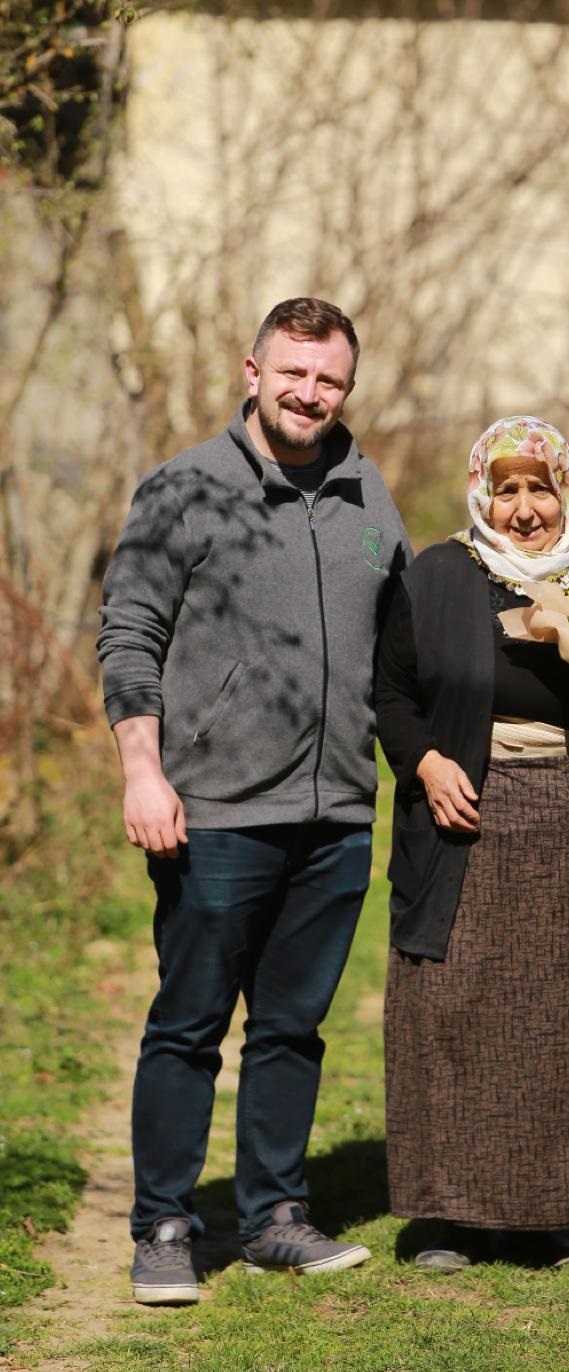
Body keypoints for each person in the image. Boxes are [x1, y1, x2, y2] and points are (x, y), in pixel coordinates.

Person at [97, 297, 410, 1304]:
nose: (309, 393)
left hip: (337, 814)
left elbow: (405, 649)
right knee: (190, 1024)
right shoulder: (185, 488)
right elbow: (129, 633)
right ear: (252, 369)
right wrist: (143, 769)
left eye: (328, 379)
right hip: (216, 811)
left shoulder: (370, 493)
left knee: (291, 1027)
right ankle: (165, 1225)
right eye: (293, 373)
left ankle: (275, 1214)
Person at [374, 415, 569, 1271]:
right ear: (481, 492)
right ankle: (447, 1215)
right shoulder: (440, 575)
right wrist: (427, 761)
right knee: (454, 1012)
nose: (523, 509)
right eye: (506, 489)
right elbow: (391, 694)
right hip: (463, 821)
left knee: (561, 1018)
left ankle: (551, 1211)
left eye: (539, 488)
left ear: (566, 493)